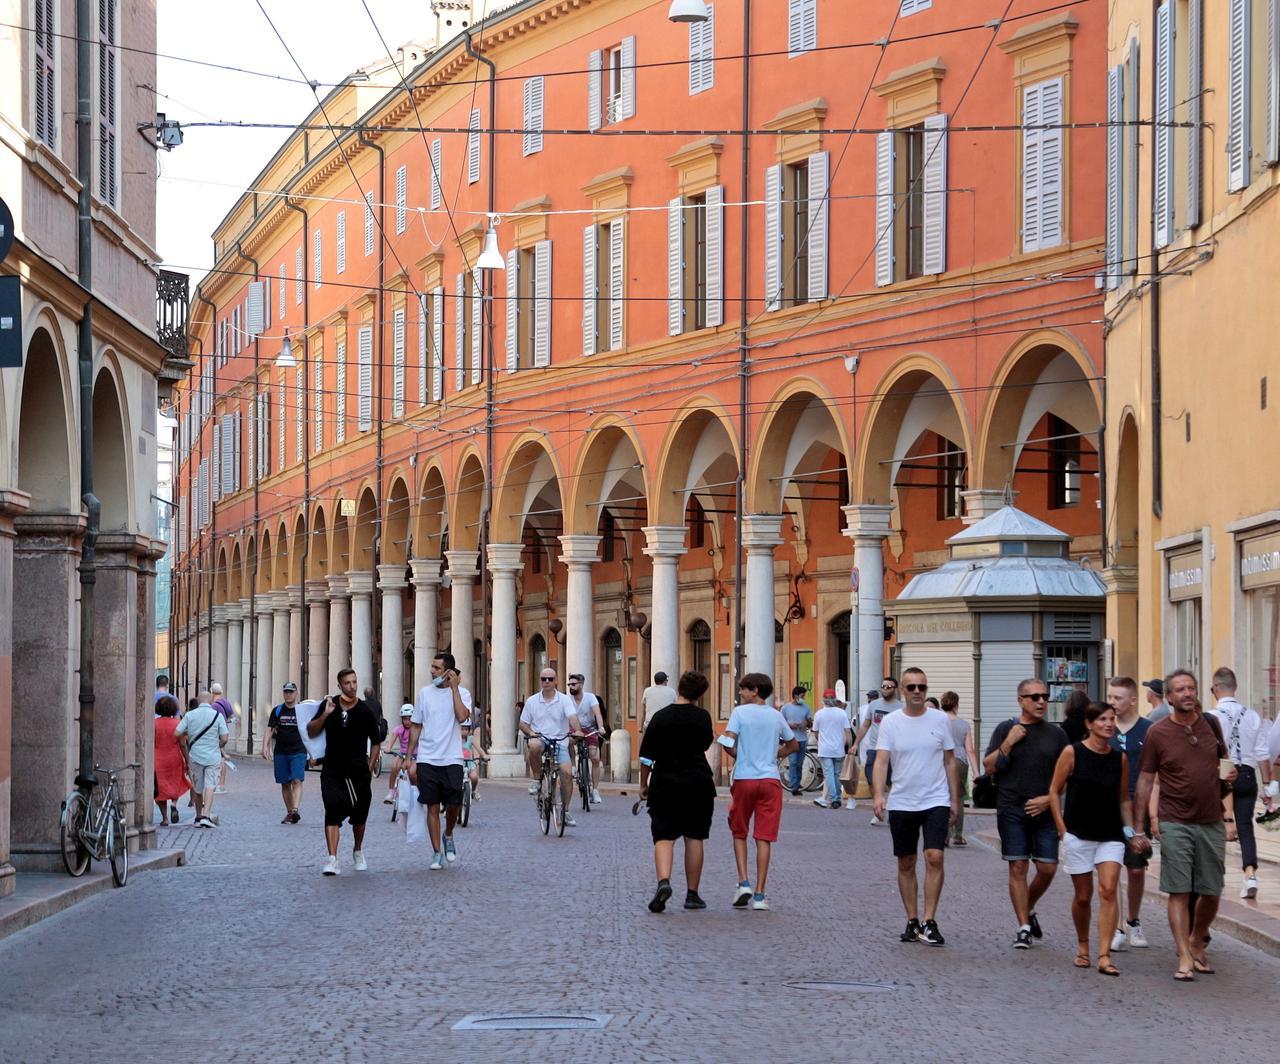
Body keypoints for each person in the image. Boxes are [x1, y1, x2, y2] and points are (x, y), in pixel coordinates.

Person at [1133, 670, 1237, 980]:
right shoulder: (1157, 733)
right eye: (1180, 689)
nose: (1187, 693)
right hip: (1175, 820)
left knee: (1212, 889)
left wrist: (1228, 796)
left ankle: (1196, 939)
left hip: (1210, 819)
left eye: (1191, 687)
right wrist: (1141, 825)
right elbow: (1146, 780)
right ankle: (1183, 955)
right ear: (1169, 697)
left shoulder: (1212, 724)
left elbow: (1224, 764)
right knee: (1179, 891)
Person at [1048, 701, 1142, 976]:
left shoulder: (1119, 758)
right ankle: (1082, 947)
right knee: (1083, 896)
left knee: (1109, 889)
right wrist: (1062, 829)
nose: (1109, 724)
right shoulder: (1072, 753)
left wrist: (1130, 832)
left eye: (1112, 719)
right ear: (1089, 724)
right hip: (1079, 834)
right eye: (1102, 719)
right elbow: (1054, 791)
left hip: (1111, 834)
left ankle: (1104, 954)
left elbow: (1124, 798)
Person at [873, 667, 959, 946]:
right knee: (906, 861)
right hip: (902, 801)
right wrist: (878, 795)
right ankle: (912, 919)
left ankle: (930, 920)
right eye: (912, 687)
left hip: (936, 799)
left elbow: (949, 760)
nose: (918, 692)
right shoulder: (891, 722)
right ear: (903, 691)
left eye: (922, 687)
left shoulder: (940, 720)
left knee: (935, 856)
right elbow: (882, 761)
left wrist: (955, 799)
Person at [983, 678, 1069, 949]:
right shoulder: (1006, 728)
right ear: (1020, 700)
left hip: (1044, 810)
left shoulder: (1057, 735)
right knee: (1018, 866)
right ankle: (1023, 927)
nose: (1041, 701)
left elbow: (1065, 775)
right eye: (1034, 697)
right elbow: (988, 767)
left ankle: (1028, 907)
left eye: (1044, 696)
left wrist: (1049, 799)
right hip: (1011, 808)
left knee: (1047, 868)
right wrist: (1008, 742)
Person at [639, 670, 716, 912]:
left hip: (665, 782)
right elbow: (705, 744)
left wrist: (643, 784)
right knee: (695, 837)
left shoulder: (661, 717)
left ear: (679, 688)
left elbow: (646, 756)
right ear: (700, 694)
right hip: (698, 783)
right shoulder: (703, 717)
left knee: (663, 836)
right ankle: (692, 894)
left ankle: (664, 881)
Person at [723, 672, 796, 911]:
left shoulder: (739, 713)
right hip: (770, 780)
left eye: (743, 689)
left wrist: (734, 752)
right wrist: (775, 755)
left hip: (745, 778)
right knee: (764, 836)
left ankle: (743, 882)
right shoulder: (776, 716)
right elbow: (793, 744)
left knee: (739, 830)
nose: (740, 693)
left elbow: (729, 740)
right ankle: (760, 895)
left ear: (755, 690)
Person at [307, 669, 382, 876]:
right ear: (339, 686)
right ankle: (332, 859)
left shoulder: (365, 711)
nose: (352, 686)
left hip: (358, 771)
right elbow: (311, 730)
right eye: (347, 683)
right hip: (332, 769)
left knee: (359, 816)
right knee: (331, 810)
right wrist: (325, 714)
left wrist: (370, 766)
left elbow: (376, 742)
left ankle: (357, 850)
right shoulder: (328, 705)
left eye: (355, 682)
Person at [1208, 666, 1274, 900]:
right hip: (1246, 774)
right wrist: (1268, 785)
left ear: (1214, 689)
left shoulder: (1211, 717)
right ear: (1235, 687)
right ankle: (1250, 874)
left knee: (1214, 827)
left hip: (1221, 775)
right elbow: (1262, 753)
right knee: (1245, 827)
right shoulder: (1252, 715)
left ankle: (1215, 876)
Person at [408, 652, 473, 870]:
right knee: (432, 806)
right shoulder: (424, 693)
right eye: (432, 667)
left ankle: (449, 834)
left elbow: (463, 717)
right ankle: (437, 853)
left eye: (436, 668)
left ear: (448, 672)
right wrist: (410, 757)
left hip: (452, 757)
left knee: (454, 803)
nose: (432, 671)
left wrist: (454, 689)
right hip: (427, 757)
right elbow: (416, 725)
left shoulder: (463, 693)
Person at [1107, 676, 1154, 951]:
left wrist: (1153, 815)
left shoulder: (1148, 730)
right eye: (1110, 697)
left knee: (1135, 870)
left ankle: (1134, 920)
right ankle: (1116, 927)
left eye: (1117, 698)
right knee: (1111, 869)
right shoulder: (1104, 727)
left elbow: (1154, 775)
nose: (1112, 702)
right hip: (1108, 807)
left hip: (1137, 807)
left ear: (1133, 700)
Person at [519, 667, 583, 827]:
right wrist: (532, 732)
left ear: (556, 681)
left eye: (550, 679)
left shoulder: (564, 700)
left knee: (567, 773)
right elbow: (522, 723)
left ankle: (566, 811)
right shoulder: (532, 701)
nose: (546, 682)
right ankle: (536, 779)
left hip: (560, 741)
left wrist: (578, 730)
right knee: (533, 745)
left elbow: (572, 717)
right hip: (541, 738)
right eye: (543, 679)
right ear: (540, 681)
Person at [855, 677, 903, 826]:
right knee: (871, 779)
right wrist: (855, 743)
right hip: (874, 748)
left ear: (895, 689)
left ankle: (892, 809)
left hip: (892, 751)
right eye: (883, 686)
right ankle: (878, 805)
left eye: (889, 687)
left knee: (890, 782)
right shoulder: (874, 705)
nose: (886, 689)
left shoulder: (900, 707)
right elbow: (865, 725)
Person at [175, 692, 228, 828]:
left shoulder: (190, 715)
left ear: (198, 701)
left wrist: (189, 733)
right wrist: (218, 746)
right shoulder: (218, 716)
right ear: (210, 702)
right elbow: (224, 738)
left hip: (195, 756)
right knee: (210, 785)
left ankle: (198, 816)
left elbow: (177, 732)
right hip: (212, 755)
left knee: (197, 787)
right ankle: (206, 815)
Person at [264, 681, 307, 824]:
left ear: (296, 693)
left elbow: (311, 730)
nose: (288, 694)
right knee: (285, 783)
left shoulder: (302, 710)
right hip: (281, 752)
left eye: (291, 692)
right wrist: (265, 746)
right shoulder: (277, 710)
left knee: (297, 779)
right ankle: (290, 812)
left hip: (298, 751)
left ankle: (295, 809)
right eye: (286, 692)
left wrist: (313, 752)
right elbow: (270, 729)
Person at [941, 691, 977, 845]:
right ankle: (958, 835)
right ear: (956, 705)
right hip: (960, 761)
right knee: (959, 797)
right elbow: (970, 750)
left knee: (944, 796)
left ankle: (944, 835)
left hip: (943, 760)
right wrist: (976, 772)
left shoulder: (939, 722)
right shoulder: (964, 725)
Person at [567, 673, 606, 804]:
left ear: (581, 685)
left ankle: (595, 791)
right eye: (569, 684)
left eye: (573, 684)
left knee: (595, 758)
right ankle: (573, 765)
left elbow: (598, 713)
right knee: (567, 742)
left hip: (589, 729)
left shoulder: (590, 698)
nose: (571, 687)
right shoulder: (567, 699)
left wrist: (601, 727)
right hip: (574, 729)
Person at [811, 693, 851, 809]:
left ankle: (834, 798)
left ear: (823, 700)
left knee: (828, 774)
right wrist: (851, 746)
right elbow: (847, 731)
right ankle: (837, 798)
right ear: (835, 699)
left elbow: (816, 733)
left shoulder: (819, 714)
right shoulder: (842, 713)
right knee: (837, 774)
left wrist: (821, 740)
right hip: (839, 749)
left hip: (825, 749)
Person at [153, 695, 188, 825]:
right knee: (176, 783)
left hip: (158, 759)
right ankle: (173, 804)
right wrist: (187, 760)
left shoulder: (154, 724)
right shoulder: (178, 724)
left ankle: (165, 818)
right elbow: (183, 744)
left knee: (159, 788)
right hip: (174, 758)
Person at [780, 686, 813, 796]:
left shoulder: (806, 707)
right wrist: (790, 725)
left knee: (800, 763)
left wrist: (806, 723)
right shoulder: (785, 708)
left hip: (802, 738)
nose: (804, 698)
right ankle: (794, 785)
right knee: (793, 762)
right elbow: (780, 723)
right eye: (802, 696)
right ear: (795, 696)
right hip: (790, 738)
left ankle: (797, 783)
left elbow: (810, 723)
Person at [383, 705, 414, 806]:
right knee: (394, 767)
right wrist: (388, 748)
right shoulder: (399, 729)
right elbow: (392, 739)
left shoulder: (416, 729)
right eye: (405, 719)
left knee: (414, 772)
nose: (407, 721)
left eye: (409, 719)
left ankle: (417, 791)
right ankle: (391, 792)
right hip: (402, 753)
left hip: (415, 754)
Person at [210, 683, 237, 794]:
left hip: (216, 732)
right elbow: (232, 717)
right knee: (221, 757)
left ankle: (219, 785)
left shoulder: (213, 705)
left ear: (212, 692)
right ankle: (221, 784)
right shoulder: (225, 702)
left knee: (219, 758)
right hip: (224, 731)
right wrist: (227, 722)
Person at [462, 711, 489, 800]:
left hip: (469, 763)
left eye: (466, 729)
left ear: (469, 730)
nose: (464, 732)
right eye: (462, 729)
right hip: (458, 763)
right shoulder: (455, 739)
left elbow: (479, 748)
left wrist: (484, 755)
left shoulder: (470, 739)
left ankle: (473, 791)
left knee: (474, 777)